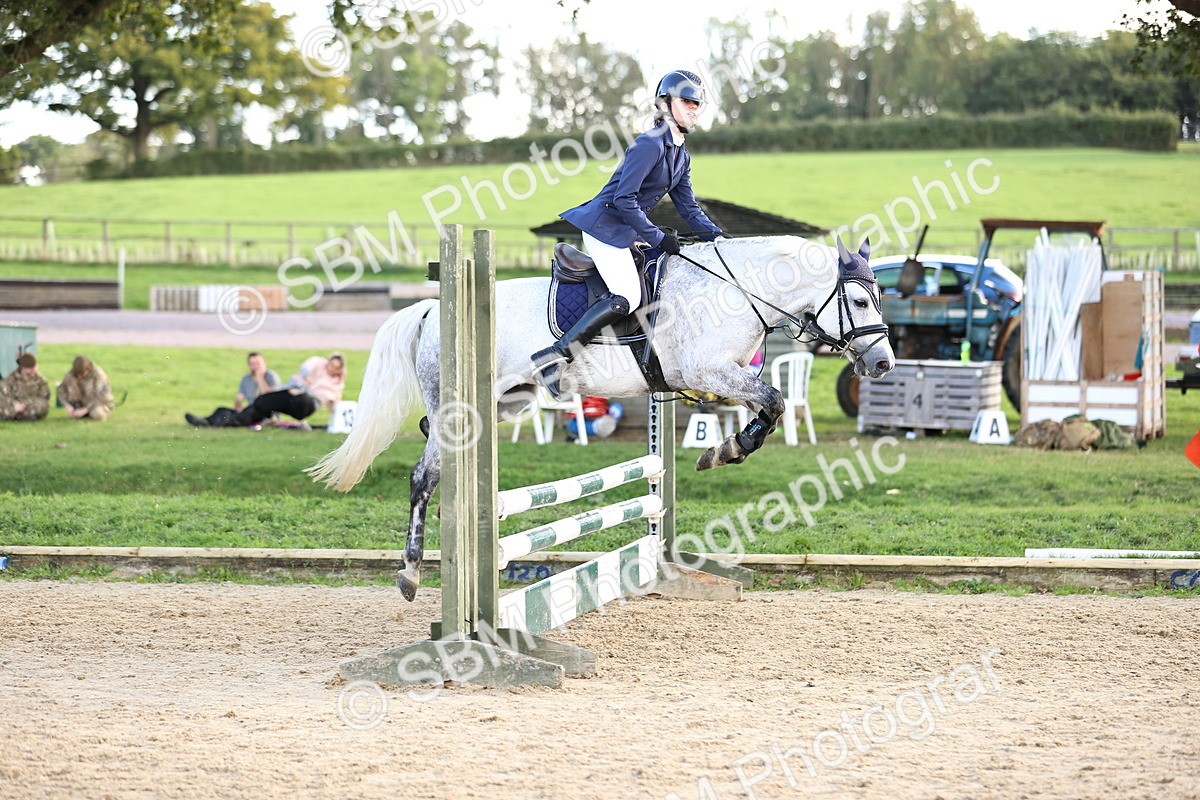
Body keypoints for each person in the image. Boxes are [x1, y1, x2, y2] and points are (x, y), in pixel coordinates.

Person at [531, 69, 726, 398]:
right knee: (628, 296)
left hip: (625, 230)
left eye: (698, 104)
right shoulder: (649, 145)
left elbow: (688, 208)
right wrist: (656, 236)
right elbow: (624, 199)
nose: (695, 108)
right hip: (604, 226)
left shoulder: (681, 154)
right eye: (688, 101)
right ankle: (556, 356)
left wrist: (718, 239)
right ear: (665, 104)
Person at [186, 353, 345, 430]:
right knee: (226, 409)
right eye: (252, 364)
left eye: (258, 363)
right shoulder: (246, 379)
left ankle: (210, 423)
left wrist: (261, 376)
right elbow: (240, 398)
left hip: (296, 403)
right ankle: (209, 420)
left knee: (251, 410)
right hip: (266, 403)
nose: (331, 368)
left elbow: (270, 394)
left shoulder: (270, 376)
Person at [58, 355, 114, 421]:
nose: (79, 377)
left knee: (98, 414)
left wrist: (86, 410)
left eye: (81, 375)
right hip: (79, 403)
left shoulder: (98, 375)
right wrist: (67, 405)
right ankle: (80, 413)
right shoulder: (70, 374)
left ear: (88, 369)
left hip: (96, 403)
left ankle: (101, 411)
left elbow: (103, 397)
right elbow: (61, 390)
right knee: (73, 415)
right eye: (77, 375)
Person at [0, 353, 50, 421]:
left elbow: (44, 395)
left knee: (43, 404)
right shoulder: (10, 379)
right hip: (14, 405)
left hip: (29, 405)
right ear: (23, 368)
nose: (33, 369)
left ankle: (21, 416)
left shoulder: (40, 380)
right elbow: (4, 395)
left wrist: (25, 404)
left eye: (34, 367)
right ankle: (14, 415)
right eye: (30, 368)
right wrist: (15, 404)